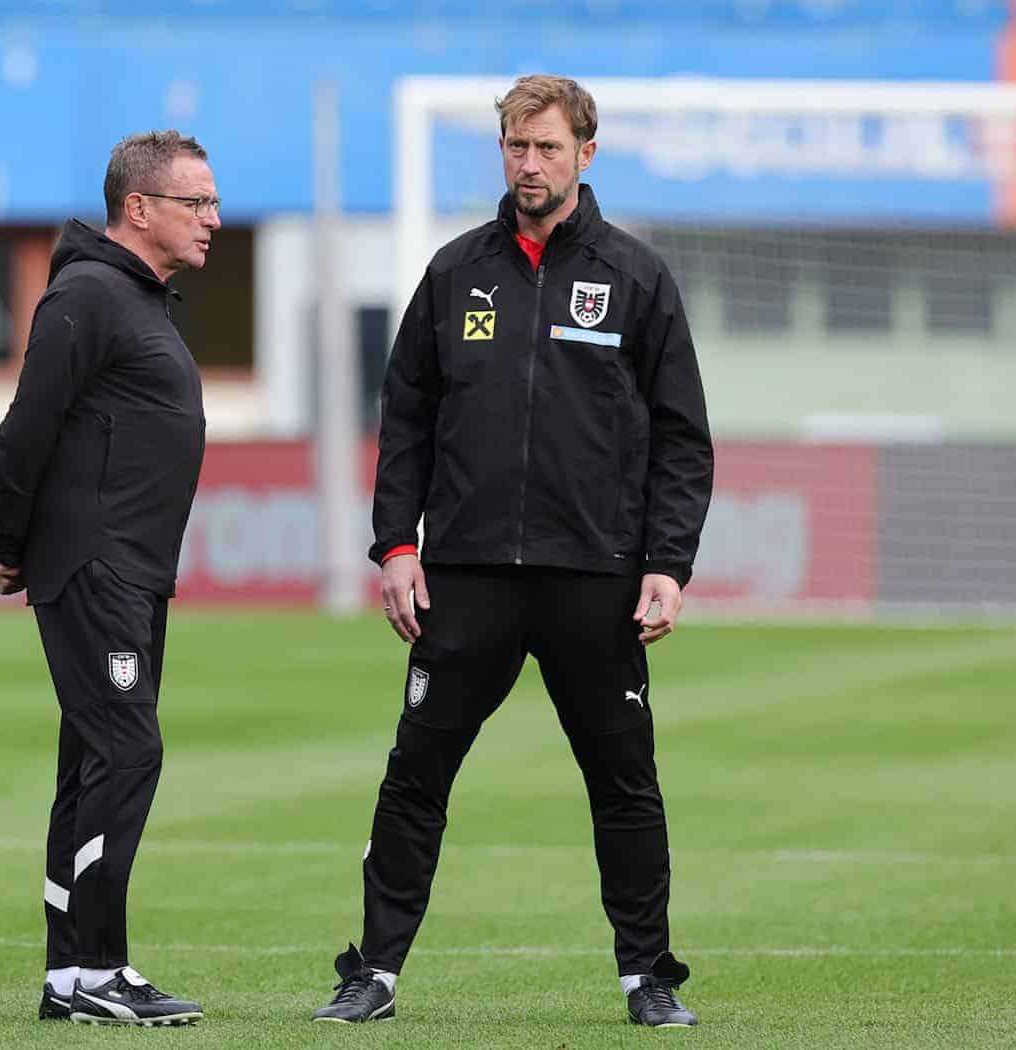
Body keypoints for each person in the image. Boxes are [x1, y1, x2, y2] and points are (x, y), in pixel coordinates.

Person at [312, 75, 714, 1029]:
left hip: (595, 576)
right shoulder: (456, 272)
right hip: (467, 575)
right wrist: (395, 546)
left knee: (624, 783)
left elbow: (682, 436)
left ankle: (647, 976)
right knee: (416, 775)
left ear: (585, 152)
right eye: (515, 147)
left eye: (547, 147)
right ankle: (374, 972)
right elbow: (406, 419)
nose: (529, 164)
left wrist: (667, 563)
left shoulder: (636, 276)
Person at [0, 130, 220, 1027]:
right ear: (138, 208)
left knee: (89, 760)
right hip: (97, 564)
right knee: (127, 751)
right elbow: (25, 428)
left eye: (214, 201)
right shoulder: (87, 294)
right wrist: (8, 540)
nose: (213, 219)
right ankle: (102, 968)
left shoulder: (138, 299)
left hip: (133, 569)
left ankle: (68, 976)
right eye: (196, 202)